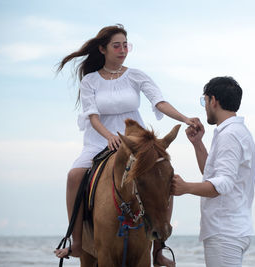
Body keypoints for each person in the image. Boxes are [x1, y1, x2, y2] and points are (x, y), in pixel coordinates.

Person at [54, 24, 196, 267]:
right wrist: (109, 136)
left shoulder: (136, 76)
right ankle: (76, 242)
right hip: (100, 140)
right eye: (116, 45)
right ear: (103, 49)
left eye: (125, 45)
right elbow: (93, 117)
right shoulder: (90, 81)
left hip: (137, 142)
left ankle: (159, 249)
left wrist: (184, 118)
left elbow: (159, 102)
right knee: (74, 176)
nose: (122, 50)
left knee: (164, 178)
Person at [171, 76, 255, 267]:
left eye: (205, 101)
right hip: (231, 229)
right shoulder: (236, 132)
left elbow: (223, 184)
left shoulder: (229, 135)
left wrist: (186, 187)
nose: (205, 106)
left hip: (225, 230)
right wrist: (198, 143)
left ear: (214, 101)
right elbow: (214, 176)